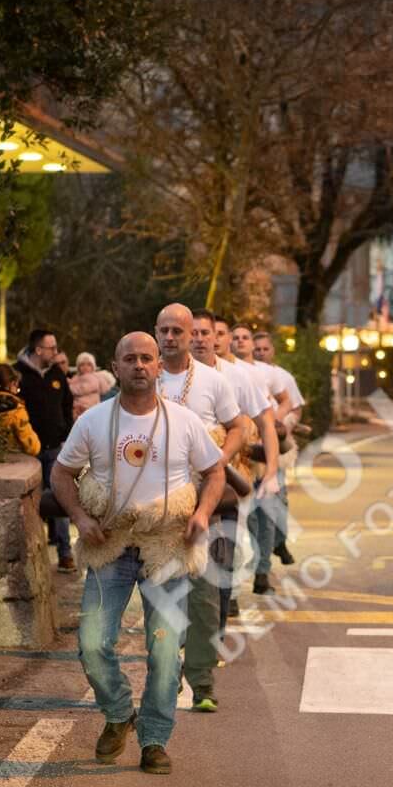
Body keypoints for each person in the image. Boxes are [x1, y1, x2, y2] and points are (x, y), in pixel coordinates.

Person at [51, 332, 224, 775]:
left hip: (166, 546)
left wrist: (202, 513)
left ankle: (154, 740)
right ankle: (118, 713)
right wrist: (80, 517)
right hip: (109, 544)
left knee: (165, 651)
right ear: (116, 366)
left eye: (147, 358)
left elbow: (215, 471)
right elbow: (62, 473)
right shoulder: (93, 421)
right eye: (130, 359)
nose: (140, 365)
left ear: (158, 366)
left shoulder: (184, 421)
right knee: (92, 643)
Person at [155, 304, 248, 713]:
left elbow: (239, 425)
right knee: (162, 594)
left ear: (192, 332)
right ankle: (166, 673)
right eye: (165, 330)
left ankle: (203, 683)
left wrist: (219, 461)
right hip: (156, 504)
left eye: (180, 330)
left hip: (205, 499)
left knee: (205, 596)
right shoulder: (145, 376)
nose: (173, 337)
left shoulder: (213, 380)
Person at [197, 312, 277, 613]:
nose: (209, 339)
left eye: (216, 333)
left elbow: (265, 422)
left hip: (232, 470)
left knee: (230, 537)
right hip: (185, 475)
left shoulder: (238, 376)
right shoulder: (173, 374)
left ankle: (226, 597)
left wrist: (271, 471)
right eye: (201, 333)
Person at [232, 323, 294, 593]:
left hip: (265, 454)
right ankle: (233, 588)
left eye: (245, 337)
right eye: (235, 337)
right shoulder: (223, 371)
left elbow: (286, 401)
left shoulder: (267, 373)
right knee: (244, 522)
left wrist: (273, 423)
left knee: (268, 516)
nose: (240, 341)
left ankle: (262, 572)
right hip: (239, 456)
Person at [17, 328, 76, 572]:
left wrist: (66, 432)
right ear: (39, 350)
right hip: (28, 452)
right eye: (52, 348)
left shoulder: (56, 373)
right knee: (30, 504)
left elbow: (67, 404)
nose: (56, 351)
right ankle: (32, 555)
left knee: (61, 498)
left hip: (55, 448)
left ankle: (65, 553)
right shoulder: (19, 375)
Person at [252, 330, 305, 565]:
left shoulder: (282, 376)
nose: (261, 353)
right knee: (258, 509)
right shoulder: (243, 373)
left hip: (277, 448)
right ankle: (262, 558)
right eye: (257, 349)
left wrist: (281, 423)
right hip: (252, 449)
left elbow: (295, 408)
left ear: (272, 351)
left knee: (279, 500)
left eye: (265, 349)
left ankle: (279, 541)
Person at [0, 363, 41, 456]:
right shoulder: (16, 411)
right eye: (17, 386)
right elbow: (32, 447)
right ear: (12, 384)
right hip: (11, 457)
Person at [70, 352, 113, 417]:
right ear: (78, 367)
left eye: (88, 365)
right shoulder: (76, 377)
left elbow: (84, 389)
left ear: (93, 367)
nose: (85, 367)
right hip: (78, 406)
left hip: (89, 406)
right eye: (82, 365)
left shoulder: (93, 377)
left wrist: (70, 387)